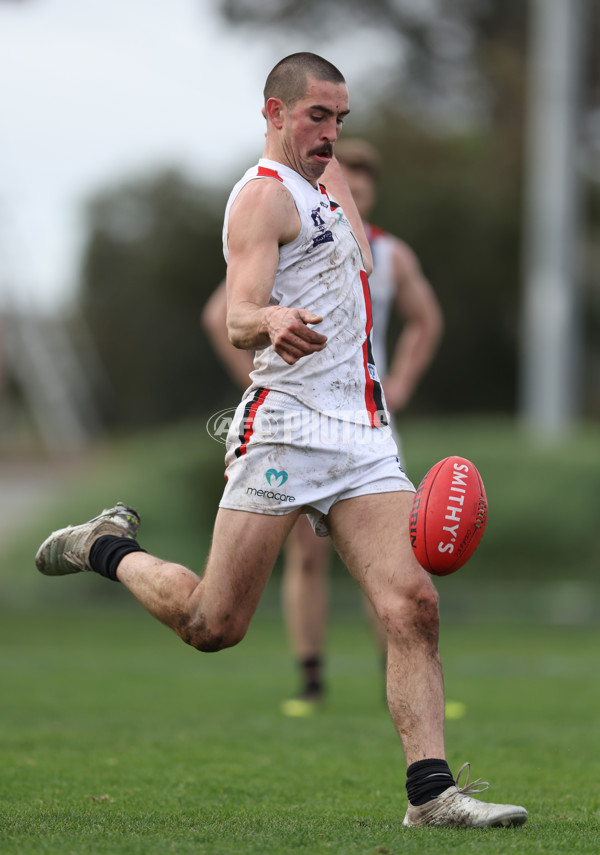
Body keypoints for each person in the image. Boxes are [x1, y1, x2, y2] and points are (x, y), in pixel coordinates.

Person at [35, 52, 527, 828]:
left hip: (362, 434)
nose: (331, 133)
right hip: (286, 429)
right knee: (213, 624)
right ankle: (104, 546)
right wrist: (268, 320)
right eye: (316, 117)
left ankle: (432, 794)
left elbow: (358, 264)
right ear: (274, 112)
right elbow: (236, 316)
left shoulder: (326, 186)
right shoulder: (262, 200)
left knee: (413, 604)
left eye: (341, 118)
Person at [201, 138, 444, 715]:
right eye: (342, 178)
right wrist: (260, 378)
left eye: (359, 184)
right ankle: (312, 679)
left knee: (405, 585)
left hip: (364, 422)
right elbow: (230, 315)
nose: (348, 190)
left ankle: (424, 765)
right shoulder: (279, 214)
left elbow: (426, 321)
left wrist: (401, 383)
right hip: (292, 422)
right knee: (223, 617)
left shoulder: (386, 254)